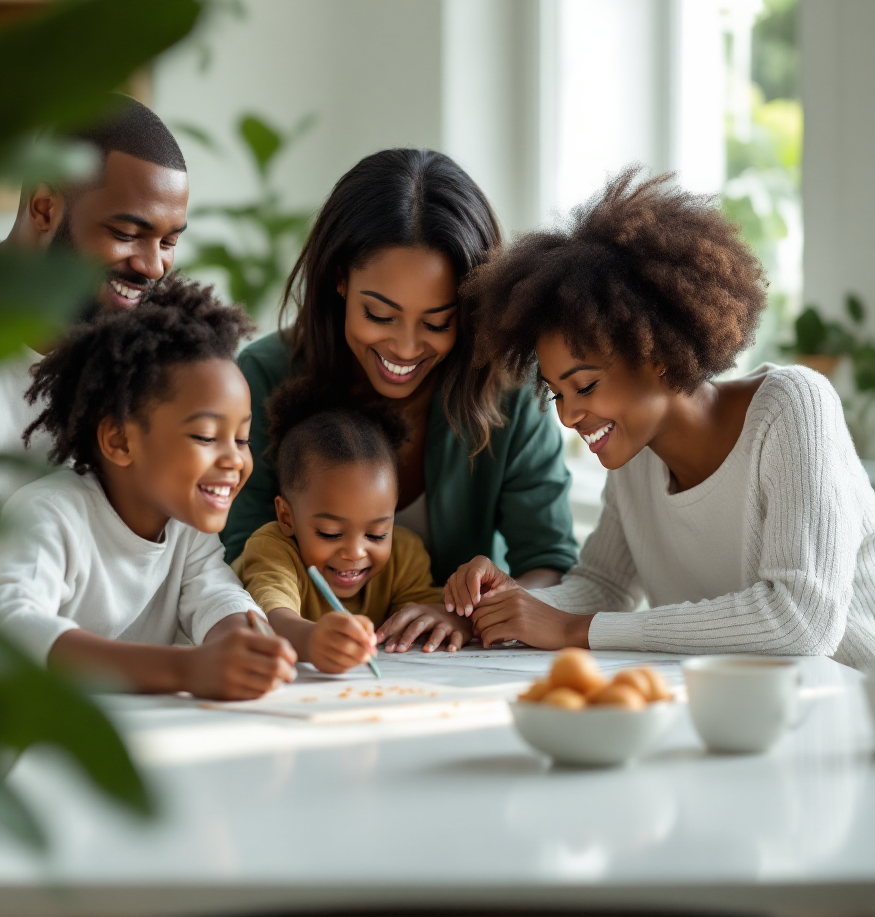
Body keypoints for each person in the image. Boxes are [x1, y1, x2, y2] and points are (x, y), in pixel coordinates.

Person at [445, 168, 875, 672]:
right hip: (736, 713)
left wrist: (573, 630)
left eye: (584, 386)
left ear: (661, 356)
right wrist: (505, 606)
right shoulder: (632, 453)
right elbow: (603, 587)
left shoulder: (793, 408)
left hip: (850, 708)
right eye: (557, 393)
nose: (568, 416)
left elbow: (802, 619)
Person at [223, 148, 579, 653]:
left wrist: (470, 614)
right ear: (340, 280)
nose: (406, 349)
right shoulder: (259, 378)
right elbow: (237, 558)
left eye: (437, 323)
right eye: (380, 315)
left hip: (459, 676)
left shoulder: (510, 392)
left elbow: (550, 563)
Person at [0, 278, 297, 698]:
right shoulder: (49, 513)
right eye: (205, 437)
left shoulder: (185, 527)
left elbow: (218, 597)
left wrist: (248, 646)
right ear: (120, 441)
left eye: (241, 439)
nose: (235, 460)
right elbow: (11, 627)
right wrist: (187, 669)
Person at [0, 93, 190, 510]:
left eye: (169, 242)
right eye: (127, 234)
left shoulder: (136, 349)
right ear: (45, 209)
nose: (153, 267)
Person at [238, 377, 473, 672]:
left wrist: (450, 621)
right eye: (330, 533)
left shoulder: (405, 553)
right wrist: (312, 639)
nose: (354, 552)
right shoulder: (272, 547)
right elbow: (270, 618)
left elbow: (422, 618)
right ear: (286, 517)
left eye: (376, 534)